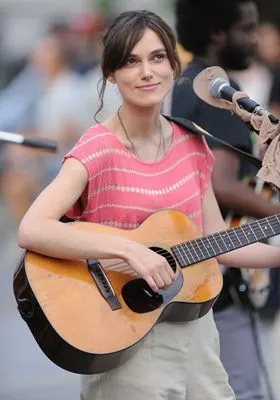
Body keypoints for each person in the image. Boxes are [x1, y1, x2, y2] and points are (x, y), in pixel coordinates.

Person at [17, 10, 280, 400]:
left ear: (174, 66)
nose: (146, 72)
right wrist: (129, 250)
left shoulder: (193, 144)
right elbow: (32, 228)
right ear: (111, 74)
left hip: (197, 334)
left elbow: (217, 240)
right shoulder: (98, 148)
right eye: (131, 61)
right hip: (122, 333)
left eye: (157, 58)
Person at [171, 1, 280, 399]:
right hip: (226, 272)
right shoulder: (214, 94)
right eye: (247, 28)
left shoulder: (184, 85)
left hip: (194, 266)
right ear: (217, 32)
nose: (255, 38)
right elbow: (222, 184)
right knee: (246, 389)